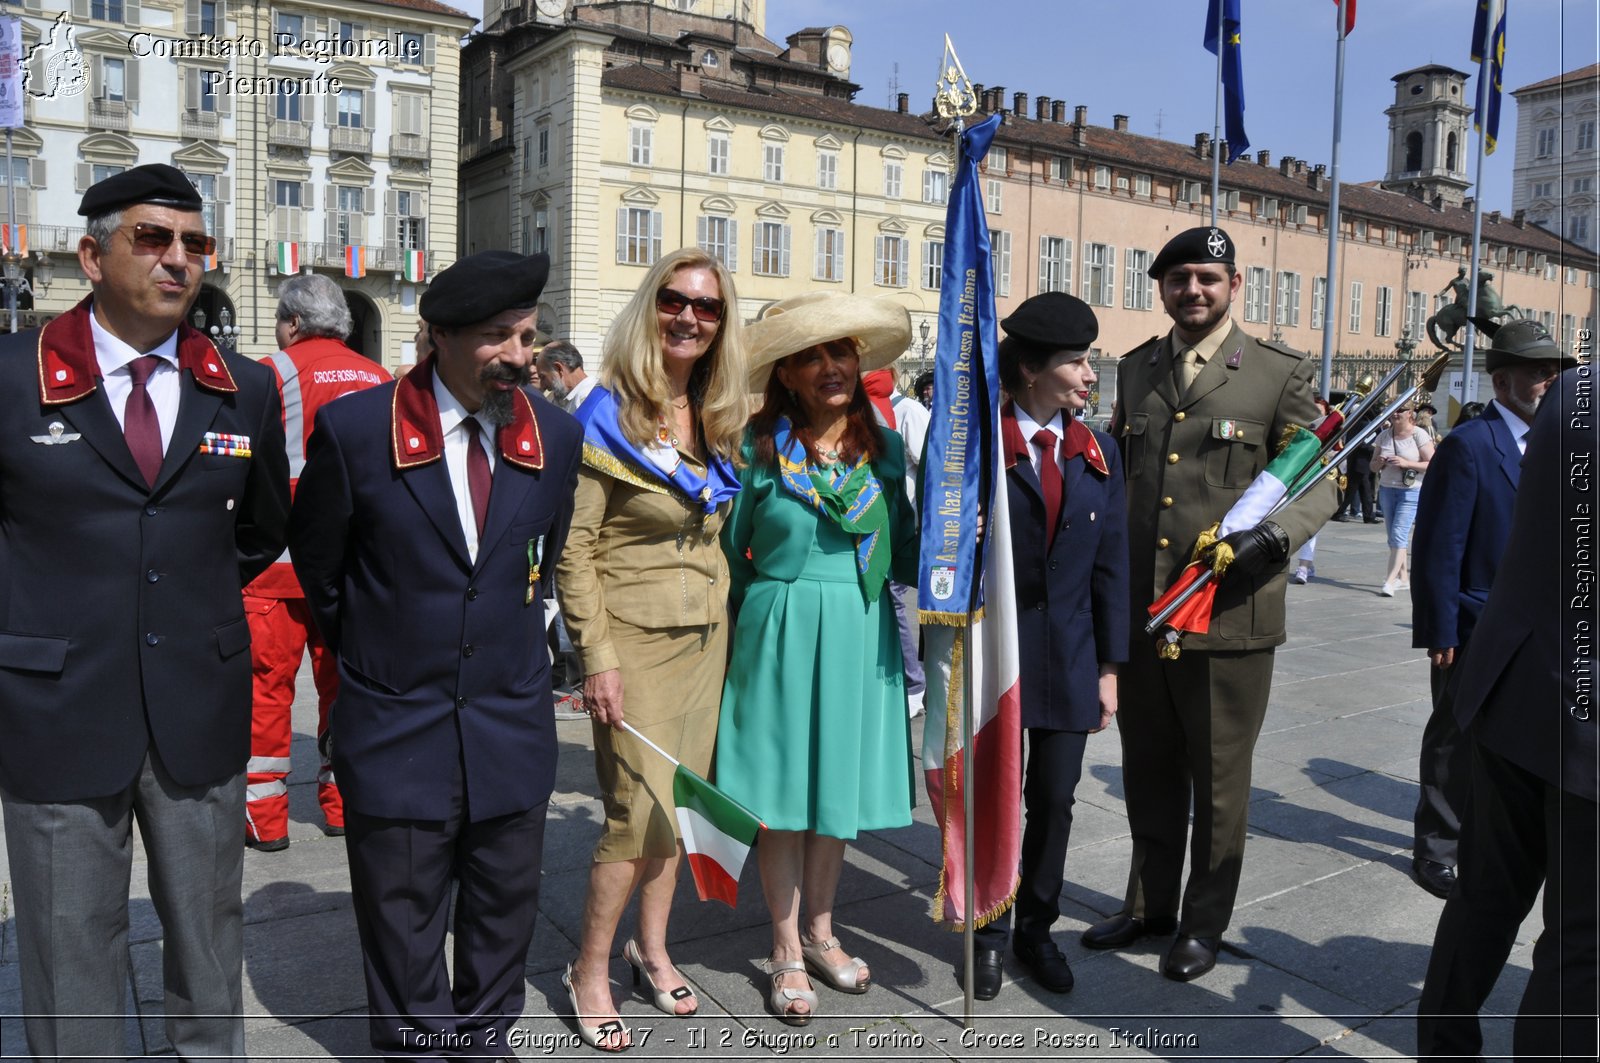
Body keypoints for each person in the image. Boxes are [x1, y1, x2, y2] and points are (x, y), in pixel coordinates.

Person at [0, 164, 290, 1059]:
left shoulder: (240, 386)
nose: (178, 260)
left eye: (194, 244)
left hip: (196, 706)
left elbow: (261, 528)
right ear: (92, 254)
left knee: (208, 938)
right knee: (68, 947)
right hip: (56, 709)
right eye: (152, 239)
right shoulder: (13, 376)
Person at [288, 251, 583, 1056]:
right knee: (404, 930)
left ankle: (484, 1043)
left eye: (526, 335)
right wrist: (387, 649)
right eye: (498, 337)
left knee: (501, 918)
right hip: (397, 725)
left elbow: (535, 560)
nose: (521, 355)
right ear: (439, 337)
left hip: (509, 726)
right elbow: (322, 568)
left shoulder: (552, 436)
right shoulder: (355, 431)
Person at [1092, 226, 1338, 981]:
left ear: (1235, 286)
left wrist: (1273, 539)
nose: (1191, 290)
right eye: (1177, 279)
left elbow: (1322, 479)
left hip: (1229, 614)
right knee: (1148, 771)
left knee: (1222, 782)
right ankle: (1149, 904)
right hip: (1149, 612)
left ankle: (1202, 922)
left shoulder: (1275, 373)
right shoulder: (1136, 371)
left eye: (1206, 277)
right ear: (1159, 289)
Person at [555, 248, 750, 1051]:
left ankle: (655, 946)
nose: (690, 318)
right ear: (651, 305)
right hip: (631, 643)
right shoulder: (606, 410)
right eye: (676, 301)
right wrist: (594, 655)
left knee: (681, 810)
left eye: (707, 308)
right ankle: (590, 969)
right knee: (635, 815)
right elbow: (575, 547)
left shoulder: (714, 412)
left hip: (706, 640)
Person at [714, 293, 919, 1025]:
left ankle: (823, 930)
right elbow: (728, 552)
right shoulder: (755, 447)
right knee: (781, 798)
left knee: (834, 792)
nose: (830, 367)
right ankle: (784, 948)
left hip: (861, 631)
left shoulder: (885, 449)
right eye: (812, 356)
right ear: (789, 374)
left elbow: (908, 546)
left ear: (859, 363)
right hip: (779, 625)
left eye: (841, 352)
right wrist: (758, 618)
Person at [1416, 365, 1598, 1062]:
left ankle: (1444, 1046)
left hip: (1518, 684)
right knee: (1582, 941)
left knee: (1485, 893)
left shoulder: (1576, 391)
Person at [967, 292, 1128, 1001]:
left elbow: (1111, 565)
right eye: (1076, 361)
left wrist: (1110, 667)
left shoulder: (1097, 450)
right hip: (994, 650)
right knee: (992, 797)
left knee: (1054, 800)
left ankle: (1037, 925)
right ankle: (988, 930)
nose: (1089, 373)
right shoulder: (976, 448)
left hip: (1068, 655)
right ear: (1032, 369)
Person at [1408, 319, 1573, 900]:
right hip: (1475, 624)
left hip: (1539, 629)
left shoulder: (1560, 445)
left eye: (1556, 373)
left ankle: (1488, 835)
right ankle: (1436, 847)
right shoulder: (1470, 445)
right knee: (1454, 736)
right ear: (1502, 382)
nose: (1550, 383)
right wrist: (1439, 629)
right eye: (1538, 374)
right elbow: (1439, 545)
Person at [243, 274, 391, 851]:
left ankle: (265, 818)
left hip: (276, 566)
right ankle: (342, 805)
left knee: (266, 693)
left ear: (293, 323)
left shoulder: (270, 373)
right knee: (346, 691)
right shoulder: (380, 378)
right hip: (352, 568)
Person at [863, 367, 931, 717]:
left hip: (897, 524)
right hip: (875, 523)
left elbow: (927, 467)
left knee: (894, 599)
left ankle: (913, 681)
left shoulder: (909, 410)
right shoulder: (872, 406)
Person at [1371, 403, 1435, 595]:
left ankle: (1390, 581)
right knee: (1393, 537)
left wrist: (1407, 463)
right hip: (1387, 489)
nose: (1395, 414)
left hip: (1411, 490)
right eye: (1393, 410)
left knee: (1399, 534)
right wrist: (1380, 462)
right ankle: (1404, 579)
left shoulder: (1419, 435)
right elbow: (1372, 467)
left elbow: (1433, 463)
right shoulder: (1383, 435)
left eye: (1400, 410)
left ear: (1410, 414)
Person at [540, 338, 599, 414]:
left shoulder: (589, 398)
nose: (542, 385)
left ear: (558, 368)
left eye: (543, 377)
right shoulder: (563, 399)